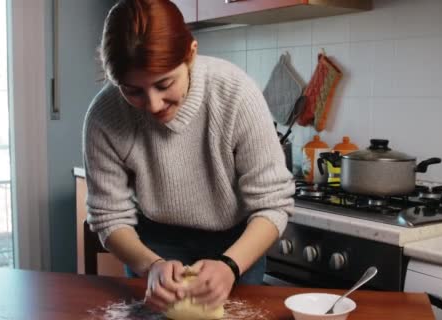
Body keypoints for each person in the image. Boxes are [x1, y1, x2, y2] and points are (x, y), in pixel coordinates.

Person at [82, 0, 294, 312]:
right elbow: (108, 216)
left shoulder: (235, 94)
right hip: (154, 244)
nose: (153, 105)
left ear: (191, 55)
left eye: (164, 84)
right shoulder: (105, 116)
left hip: (236, 243)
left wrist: (230, 266)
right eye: (133, 91)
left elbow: (272, 205)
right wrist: (150, 265)